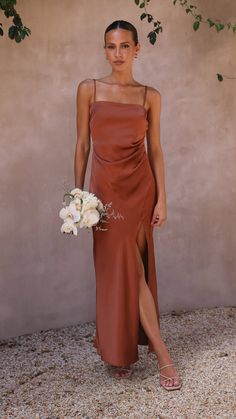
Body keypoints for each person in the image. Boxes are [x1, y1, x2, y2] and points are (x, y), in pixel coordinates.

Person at [74, 20, 182, 391]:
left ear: (138, 49)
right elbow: (82, 146)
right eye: (110, 46)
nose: (117, 53)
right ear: (104, 49)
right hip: (104, 194)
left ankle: (140, 350)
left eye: (124, 46)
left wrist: (163, 198)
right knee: (116, 272)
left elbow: (157, 149)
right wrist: (78, 196)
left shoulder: (149, 95)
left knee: (133, 271)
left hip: (140, 190)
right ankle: (134, 350)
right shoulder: (88, 89)